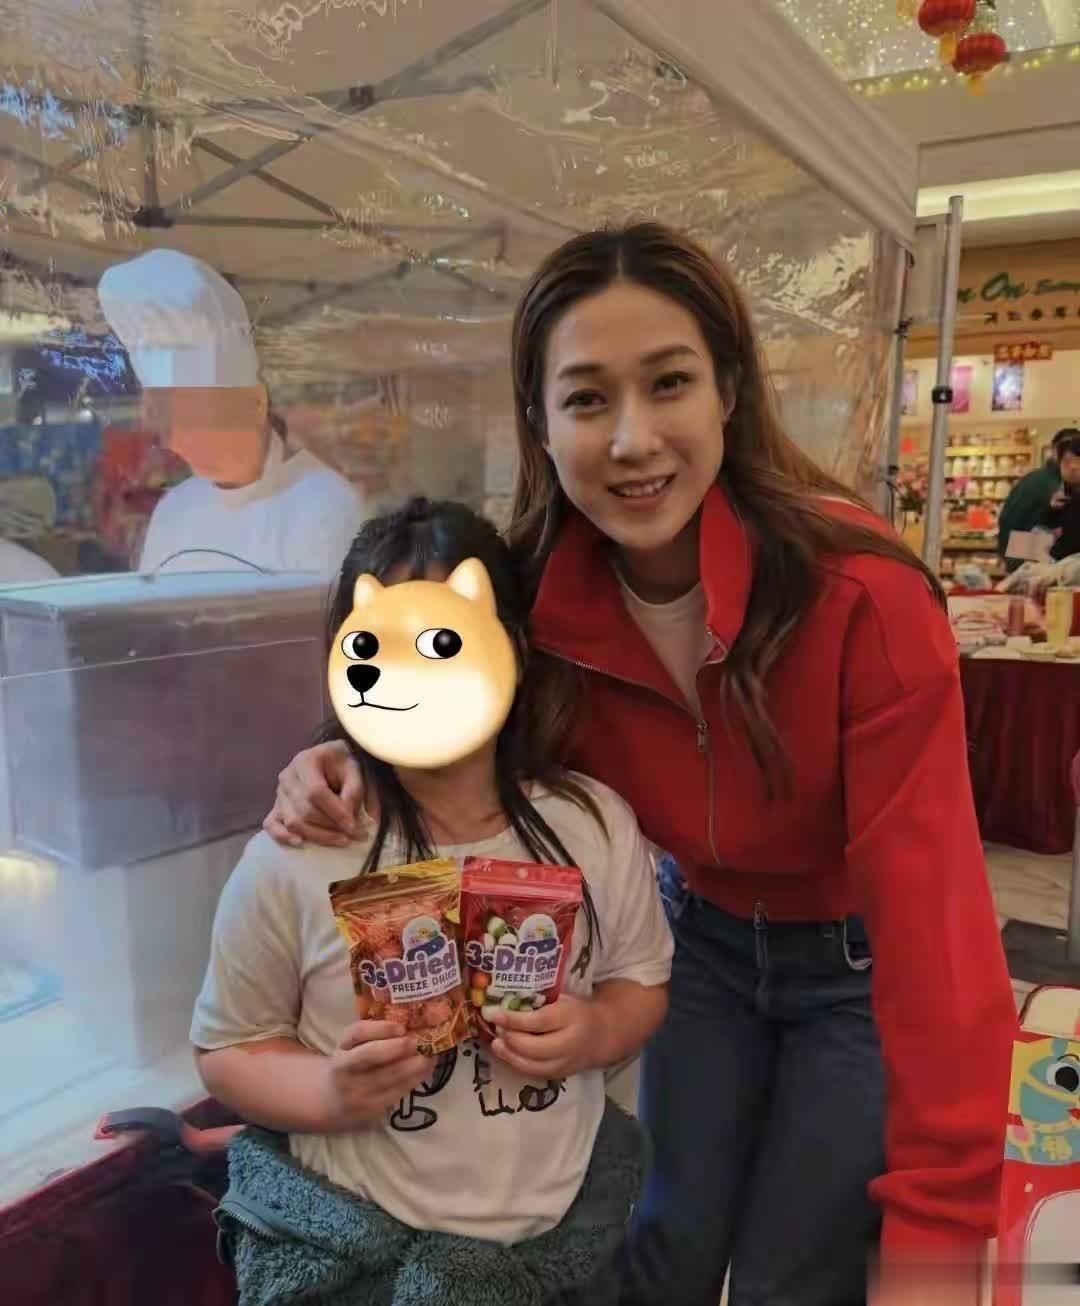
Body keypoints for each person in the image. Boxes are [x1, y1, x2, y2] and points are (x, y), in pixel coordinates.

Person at [261, 224, 1016, 1306]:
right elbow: (434, 695)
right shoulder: (531, 608)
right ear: (539, 421)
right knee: (660, 1243)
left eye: (669, 383)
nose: (632, 439)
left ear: (729, 391)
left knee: (794, 1274)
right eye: (586, 398)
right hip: (698, 944)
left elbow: (940, 944)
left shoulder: (864, 600)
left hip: (857, 966)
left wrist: (940, 1246)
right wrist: (335, 754)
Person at [191, 497, 673, 1304]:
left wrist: (595, 1031)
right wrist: (328, 1093)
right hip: (369, 1261)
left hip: (557, 1249)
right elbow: (228, 1047)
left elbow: (641, 981)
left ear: (513, 648)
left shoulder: (592, 824)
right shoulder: (295, 854)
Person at [98, 249, 363, 575]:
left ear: (255, 403)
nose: (181, 442)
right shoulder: (173, 513)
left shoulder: (325, 507)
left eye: (198, 415)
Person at [997, 427, 1079, 570]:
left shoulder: (1034, 478)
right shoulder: (1055, 484)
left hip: (1017, 551)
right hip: (1027, 555)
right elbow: (1064, 543)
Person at [1038, 431, 1080, 562]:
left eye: (1078, 461)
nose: (1073, 467)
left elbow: (1068, 547)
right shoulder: (1063, 497)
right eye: (1067, 462)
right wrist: (1051, 510)